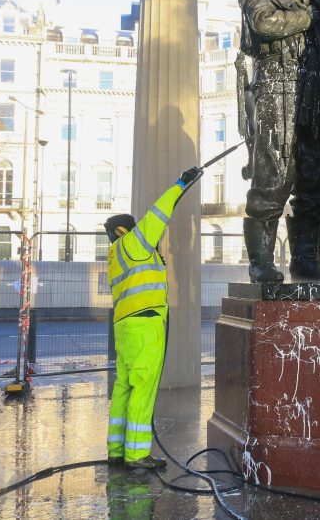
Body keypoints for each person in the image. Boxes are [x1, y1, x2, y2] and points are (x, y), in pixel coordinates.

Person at [239, 0, 320, 283]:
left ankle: (306, 261)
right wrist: (307, 17)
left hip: (319, 100)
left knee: (315, 184)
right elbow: (263, 23)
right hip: (279, 91)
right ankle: (260, 263)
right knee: (273, 178)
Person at [103, 166, 203, 469]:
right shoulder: (135, 242)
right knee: (143, 388)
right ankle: (136, 455)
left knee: (123, 387)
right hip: (146, 325)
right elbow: (160, 212)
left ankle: (116, 450)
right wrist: (181, 183)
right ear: (127, 230)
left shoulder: (114, 256)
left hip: (124, 328)